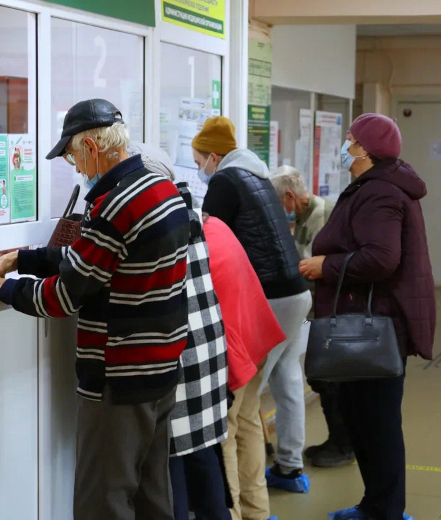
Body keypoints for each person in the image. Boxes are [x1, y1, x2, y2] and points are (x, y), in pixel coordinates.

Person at [0, 99, 191, 520]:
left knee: (102, 499)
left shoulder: (117, 206)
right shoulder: (160, 189)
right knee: (153, 495)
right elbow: (97, 261)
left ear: (93, 148)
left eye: (72, 156)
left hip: (119, 378)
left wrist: (1, 289)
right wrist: (22, 258)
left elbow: (64, 297)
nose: (76, 168)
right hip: (161, 370)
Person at [301, 113, 436, 520]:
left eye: (350, 139)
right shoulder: (380, 186)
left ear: (363, 148)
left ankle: (386, 511)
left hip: (372, 325)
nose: (345, 146)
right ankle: (376, 505)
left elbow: (381, 257)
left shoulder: (380, 192)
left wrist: (326, 267)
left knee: (377, 425)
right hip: (369, 320)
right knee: (365, 421)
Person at [192, 116, 313, 500]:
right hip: (294, 292)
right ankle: (288, 469)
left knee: (239, 408)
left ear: (214, 157)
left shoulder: (226, 181)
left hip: (269, 297)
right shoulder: (258, 176)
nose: (199, 170)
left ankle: (239, 501)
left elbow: (208, 239)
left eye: (198, 162)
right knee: (283, 380)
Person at [127, 142, 231, 520]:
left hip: (181, 346)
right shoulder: (186, 207)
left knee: (170, 456)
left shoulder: (156, 216)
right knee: (200, 452)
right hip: (203, 342)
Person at [203, 213, 285, 520]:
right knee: (249, 425)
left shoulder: (188, 241)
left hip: (232, 349)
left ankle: (232, 513)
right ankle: (257, 512)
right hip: (255, 336)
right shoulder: (217, 224)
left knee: (222, 436)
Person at [270, 168, 354, 469]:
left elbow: (305, 266)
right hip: (324, 307)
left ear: (290, 197)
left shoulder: (319, 216)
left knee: (327, 377)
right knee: (323, 376)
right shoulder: (308, 215)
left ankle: (343, 444)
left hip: (334, 309)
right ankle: (341, 441)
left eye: (280, 202)